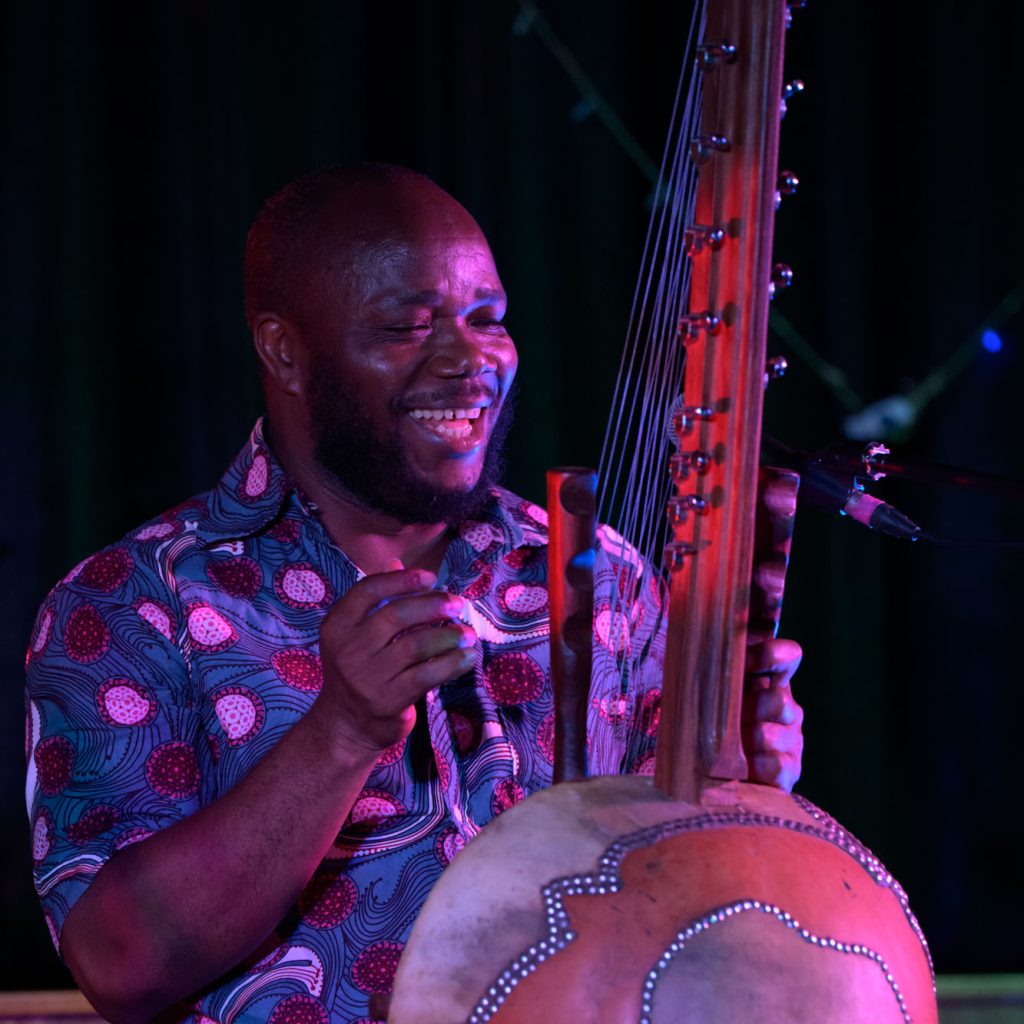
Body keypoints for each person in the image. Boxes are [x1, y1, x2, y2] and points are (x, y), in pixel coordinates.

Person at [25, 164, 804, 1024]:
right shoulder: (133, 602)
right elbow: (118, 964)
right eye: (405, 327)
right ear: (284, 350)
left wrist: (740, 790)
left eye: (488, 320)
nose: (468, 361)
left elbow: (673, 909)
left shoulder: (598, 575)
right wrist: (342, 733)